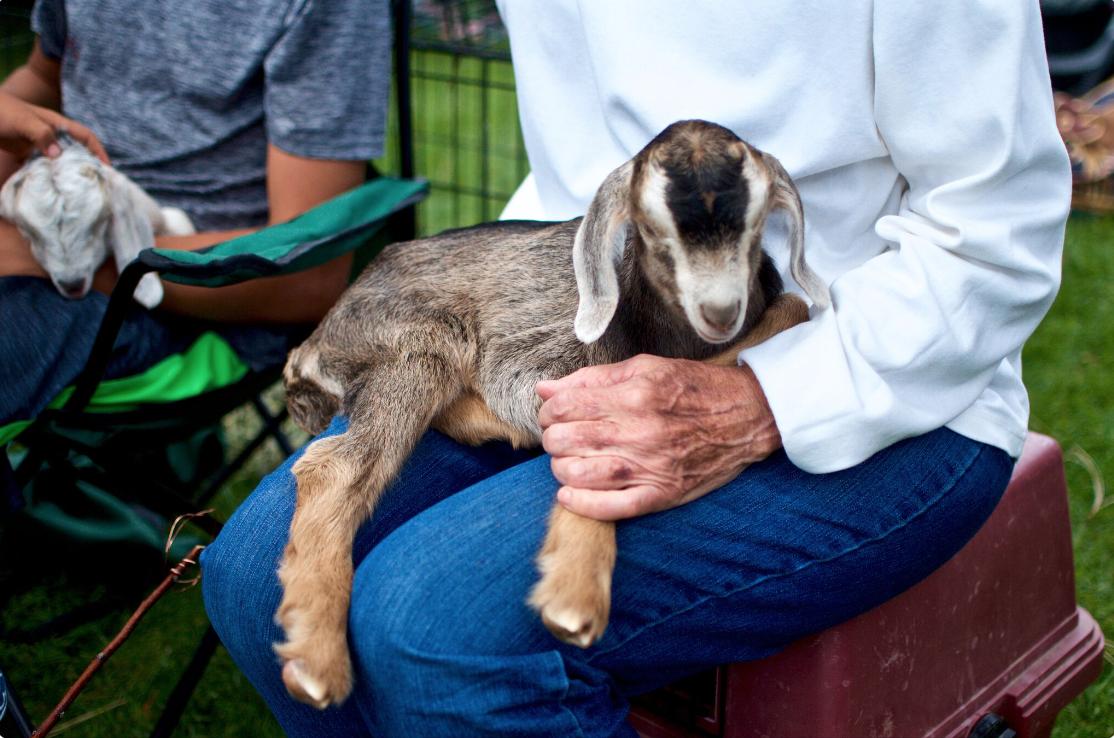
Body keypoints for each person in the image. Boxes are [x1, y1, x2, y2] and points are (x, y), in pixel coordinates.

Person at [202, 1, 1070, 736]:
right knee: (249, 575)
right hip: (590, 315)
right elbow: (575, 162)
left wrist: (768, 398)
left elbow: (996, 232)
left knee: (434, 624)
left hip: (886, 371)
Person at [0, 0, 391, 432]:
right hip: (49, 243)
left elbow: (307, 275)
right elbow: (42, 78)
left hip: (190, 308)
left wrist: (43, 256)